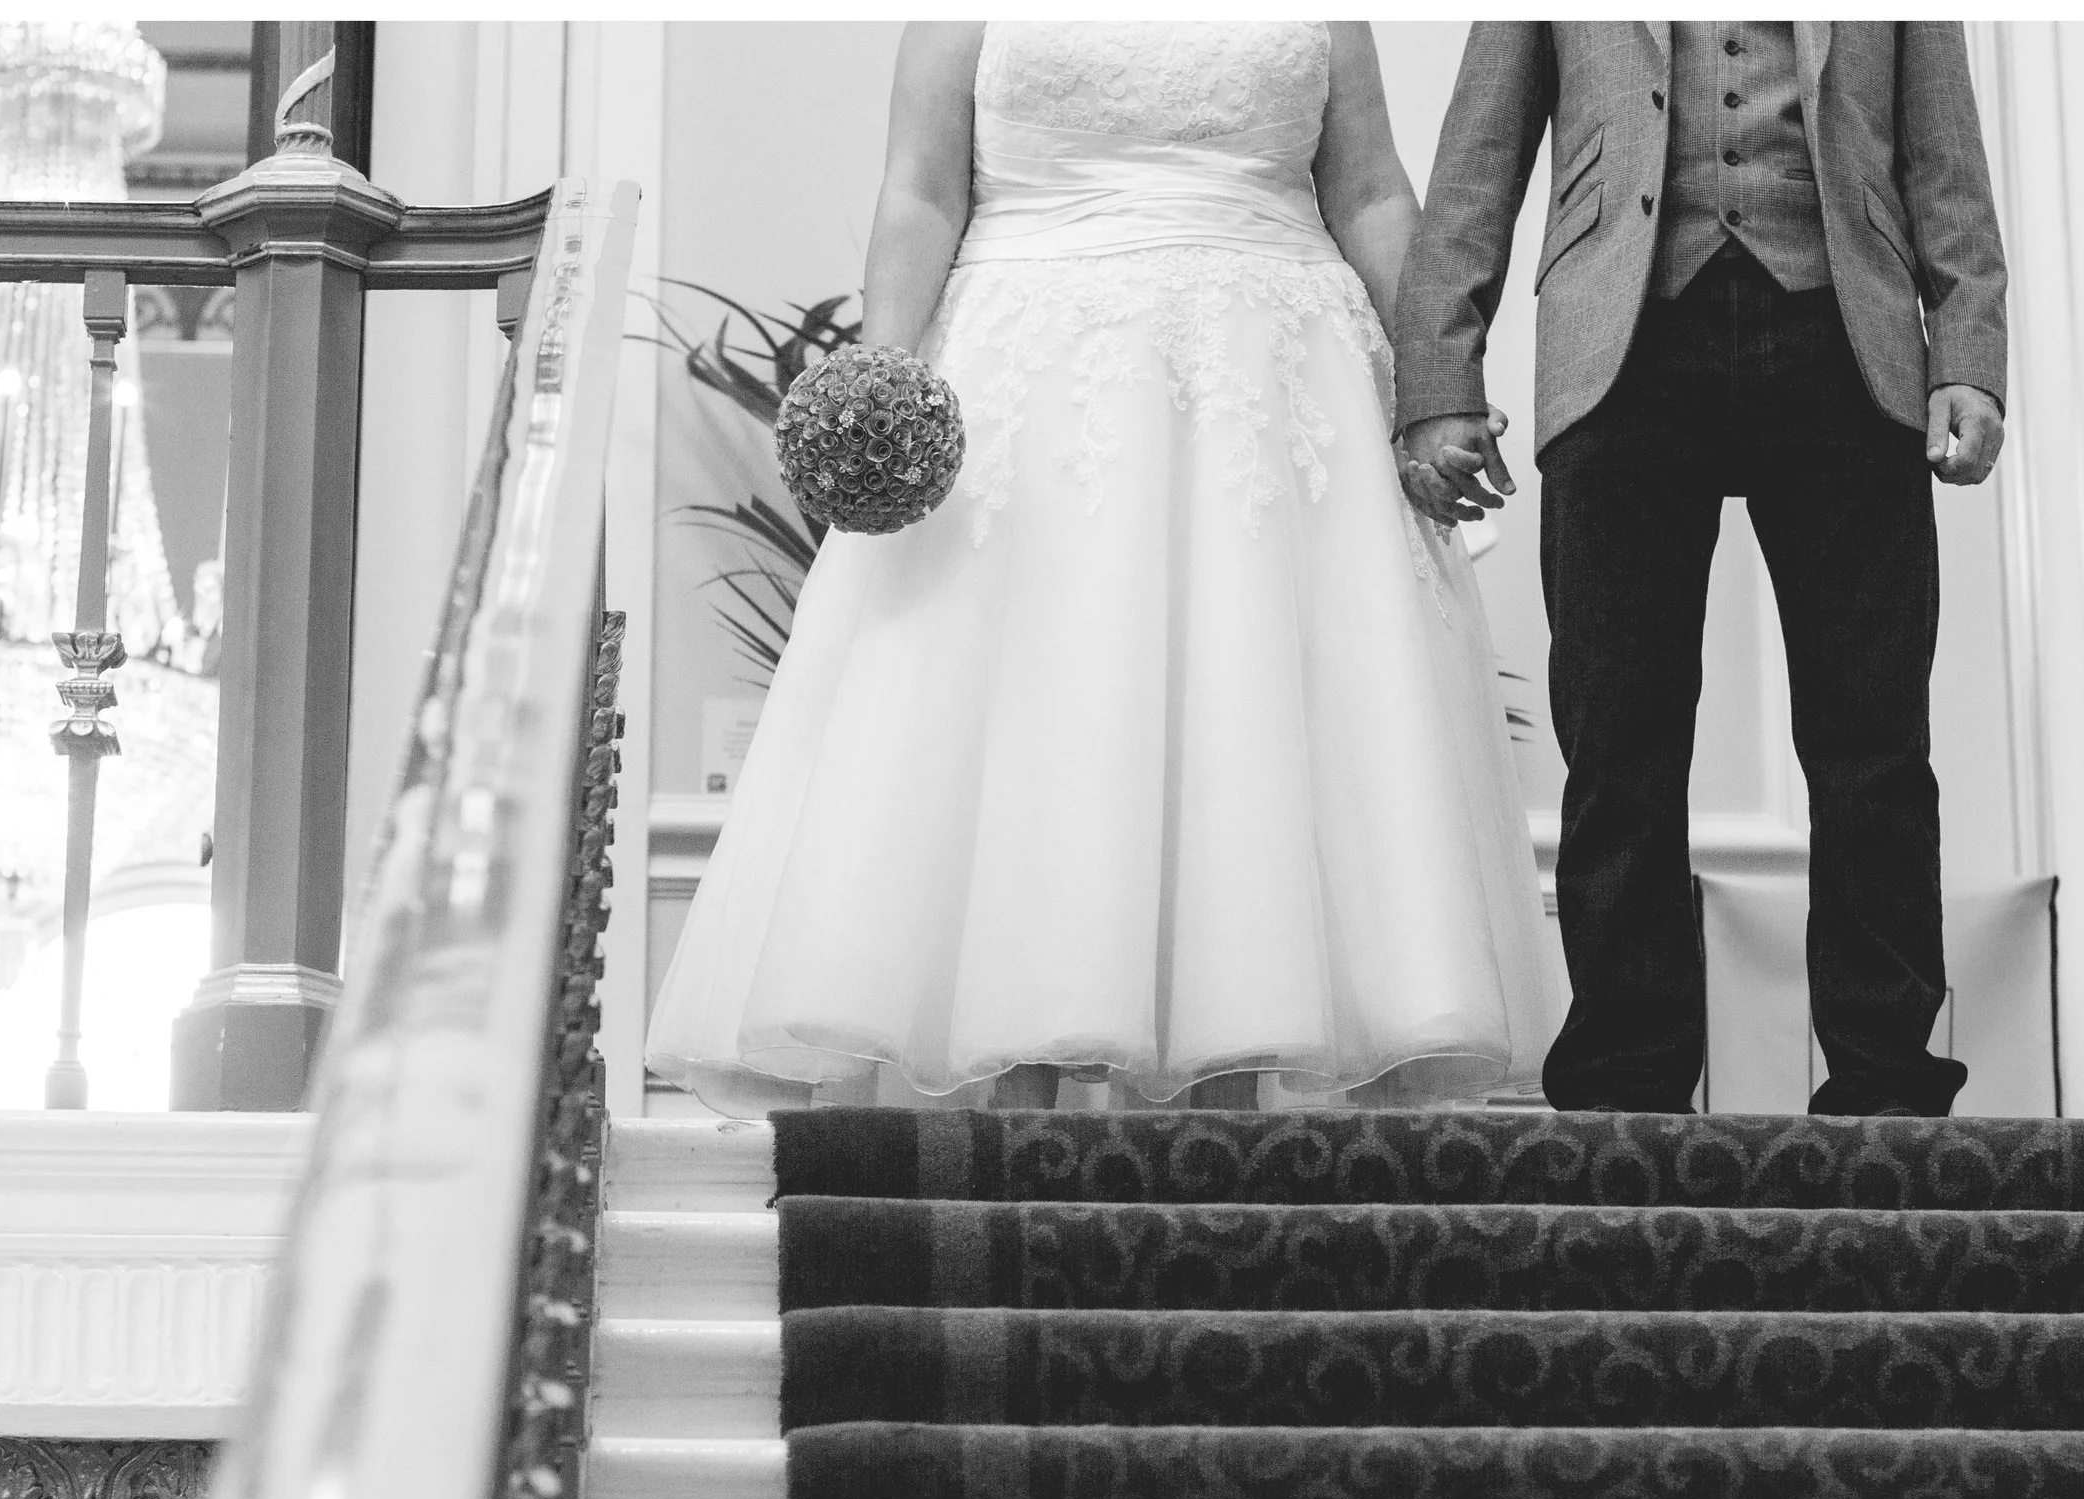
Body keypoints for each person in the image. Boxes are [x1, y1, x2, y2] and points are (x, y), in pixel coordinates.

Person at [645, 21, 1558, 1118]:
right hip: (1033, 379)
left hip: (1272, 380)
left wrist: (1434, 379)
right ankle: (1015, 1108)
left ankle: (1232, 1113)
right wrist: (884, 377)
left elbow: (1369, 192)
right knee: (1036, 716)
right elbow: (922, 191)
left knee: (1251, 710)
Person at [1395, 23, 2007, 1118]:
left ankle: (1885, 1080)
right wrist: (1440, 369)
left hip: (1846, 339)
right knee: (1616, 733)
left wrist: (1967, 357)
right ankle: (1625, 1079)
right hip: (1618, 344)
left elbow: (1944, 155)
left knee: (1872, 741)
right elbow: (1479, 153)